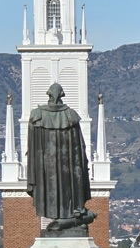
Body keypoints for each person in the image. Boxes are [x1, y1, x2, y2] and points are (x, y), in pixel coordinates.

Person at [26, 82, 94, 230]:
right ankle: (71, 215)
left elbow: (32, 145)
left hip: (46, 164)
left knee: (51, 188)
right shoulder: (70, 115)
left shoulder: (37, 115)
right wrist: (81, 163)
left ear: (48, 94)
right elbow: (79, 145)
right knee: (69, 188)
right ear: (62, 94)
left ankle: (63, 219)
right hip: (68, 163)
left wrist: (34, 163)